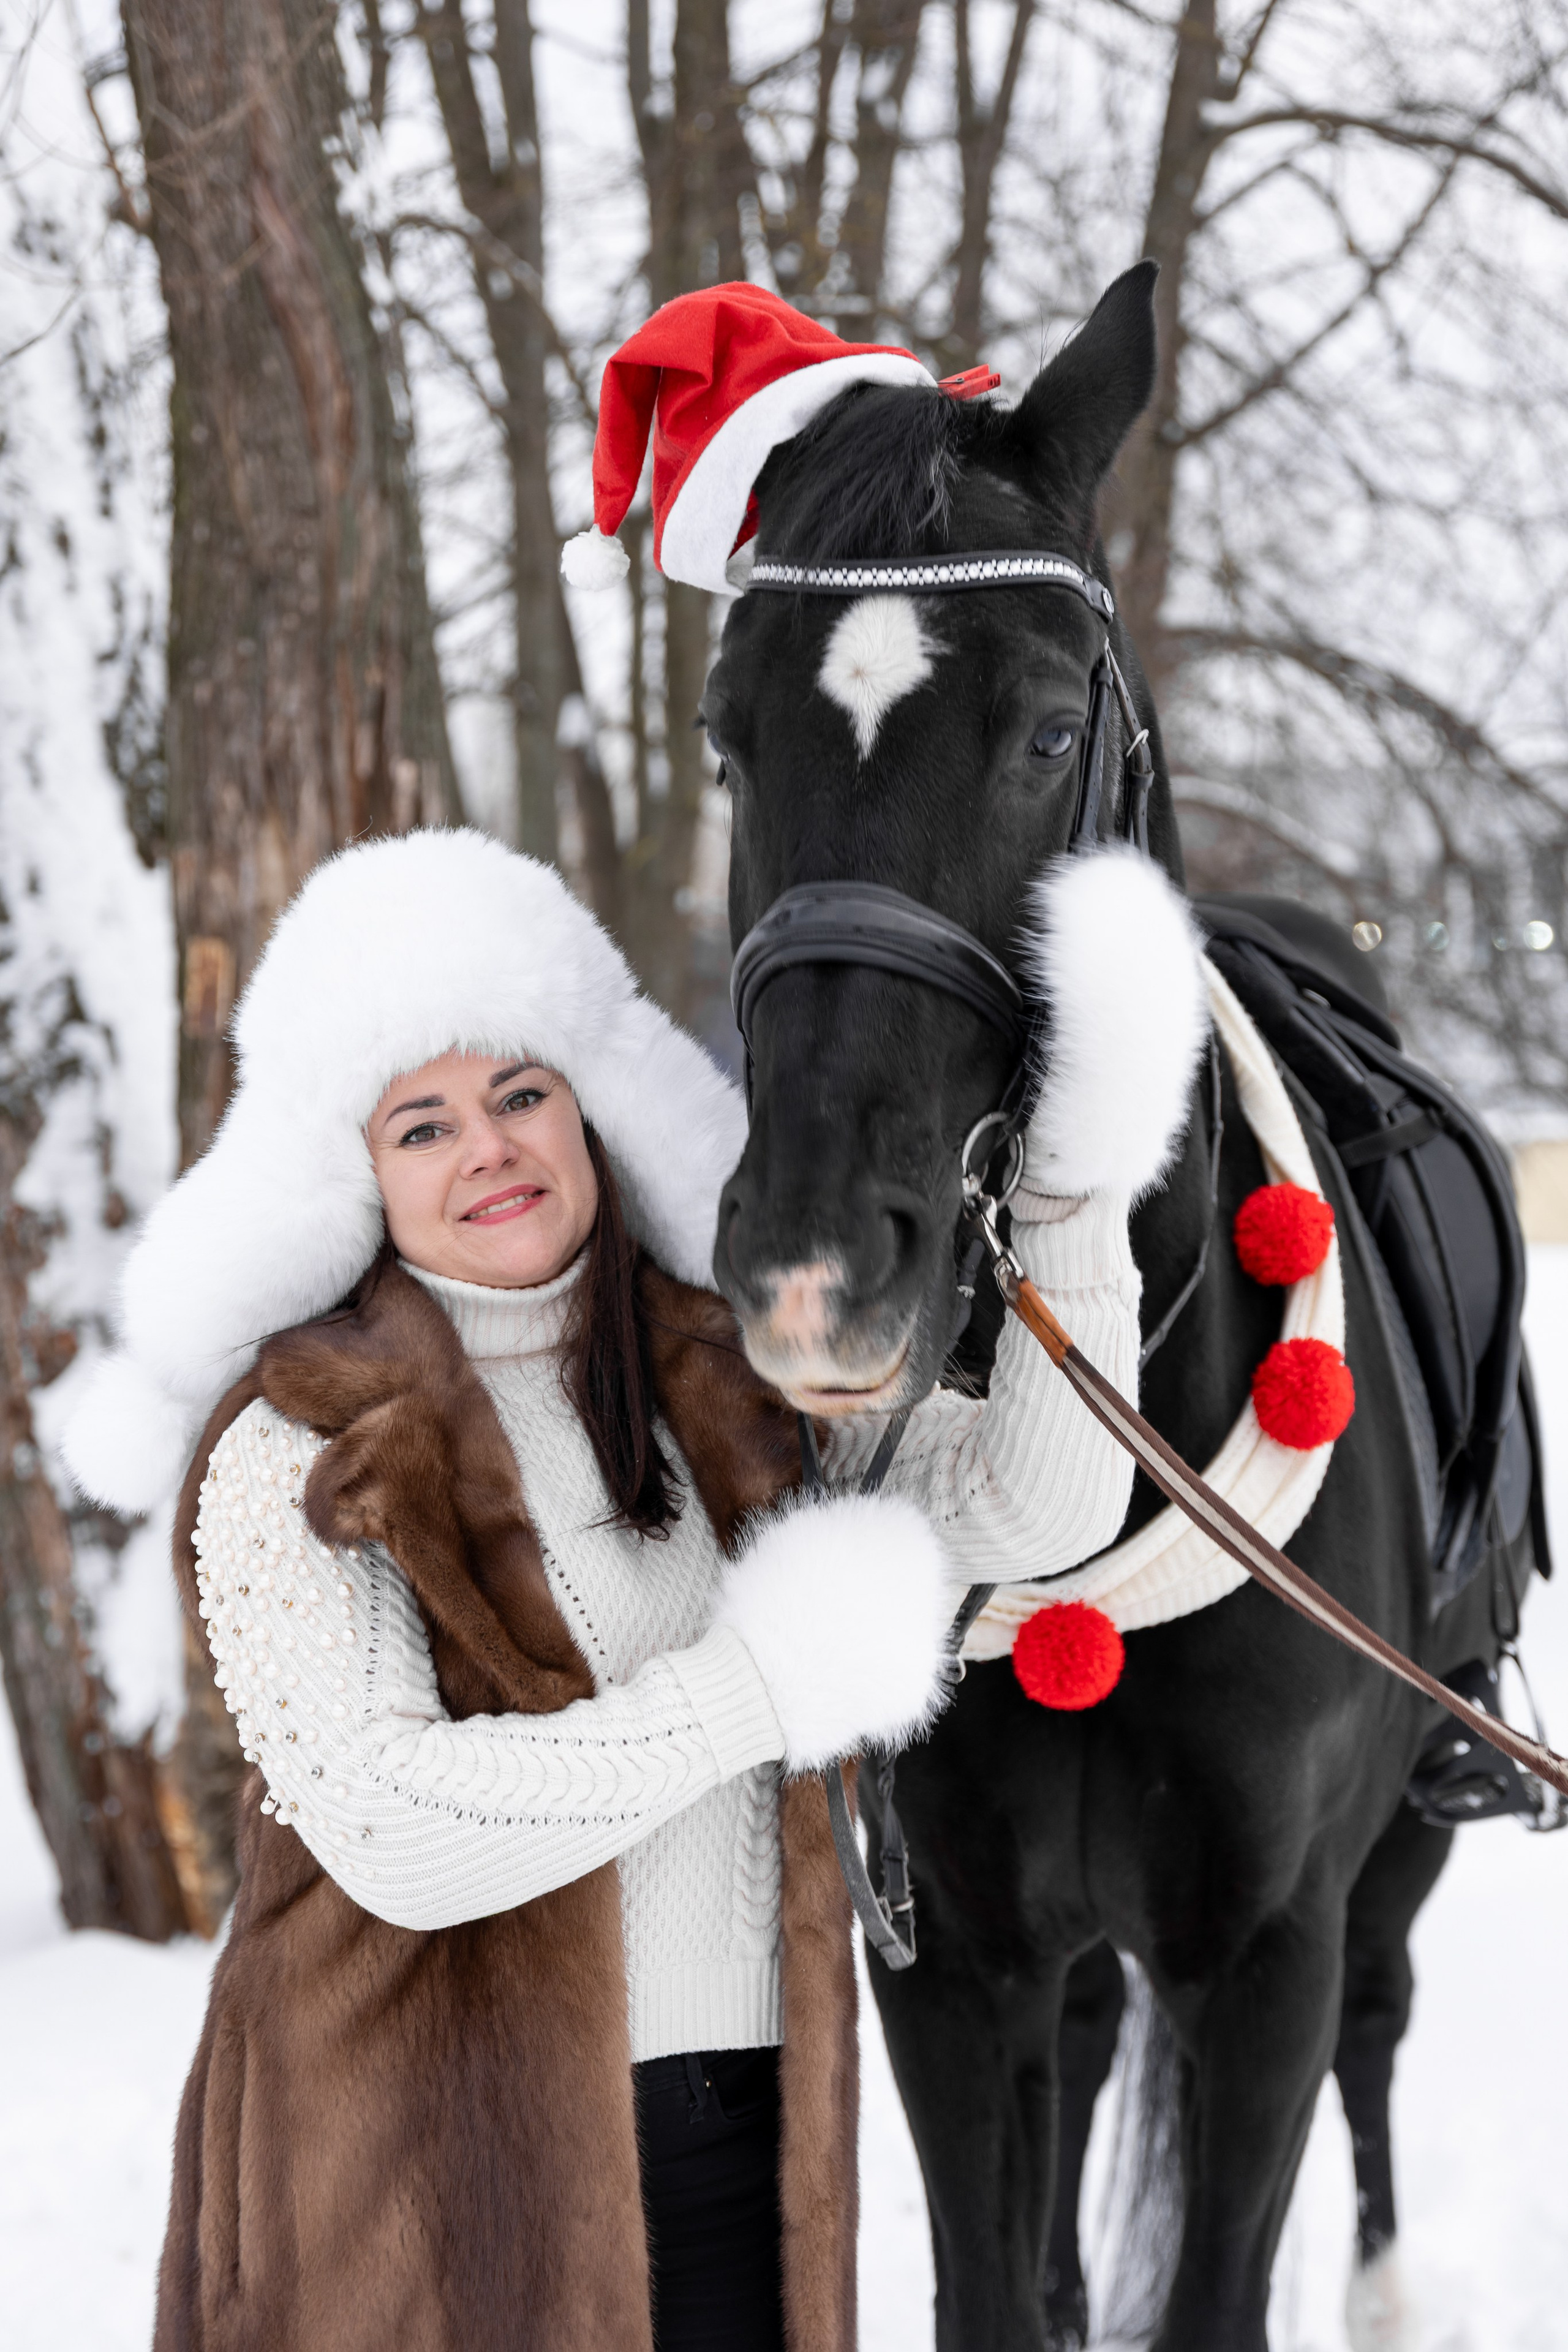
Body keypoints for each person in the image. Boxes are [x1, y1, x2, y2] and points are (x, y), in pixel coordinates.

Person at [63, 826, 1205, 2352]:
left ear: (590, 1113)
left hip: (744, 2162)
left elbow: (1026, 1501)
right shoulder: (303, 1443)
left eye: (521, 1092)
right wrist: (757, 1691)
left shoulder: (722, 1385)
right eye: (422, 1123)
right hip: (422, 2189)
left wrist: (1072, 1191)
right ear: (353, 1174)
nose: (489, 1146)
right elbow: (403, 1832)